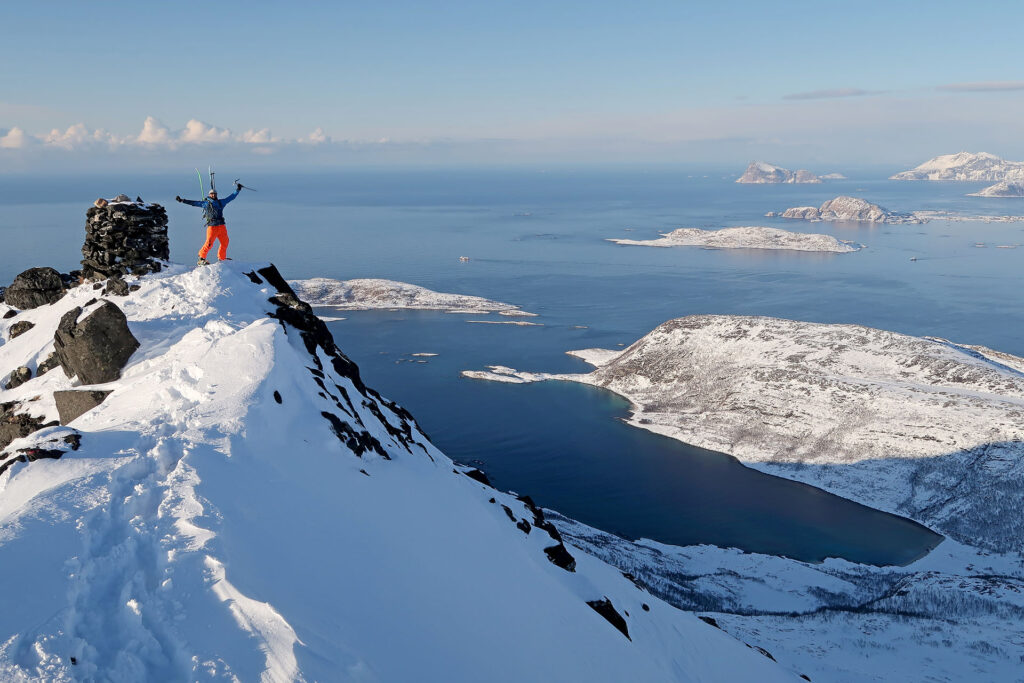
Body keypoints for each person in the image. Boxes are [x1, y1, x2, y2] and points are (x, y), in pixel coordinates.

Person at [176, 182, 243, 265]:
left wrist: (238, 190)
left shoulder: (221, 202)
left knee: (225, 242)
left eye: (214, 194)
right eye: (212, 194)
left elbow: (231, 197)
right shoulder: (206, 203)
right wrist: (182, 200)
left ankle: (222, 258)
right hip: (212, 227)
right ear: (209, 195)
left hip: (221, 226)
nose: (213, 195)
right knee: (209, 243)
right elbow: (194, 203)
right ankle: (201, 258)